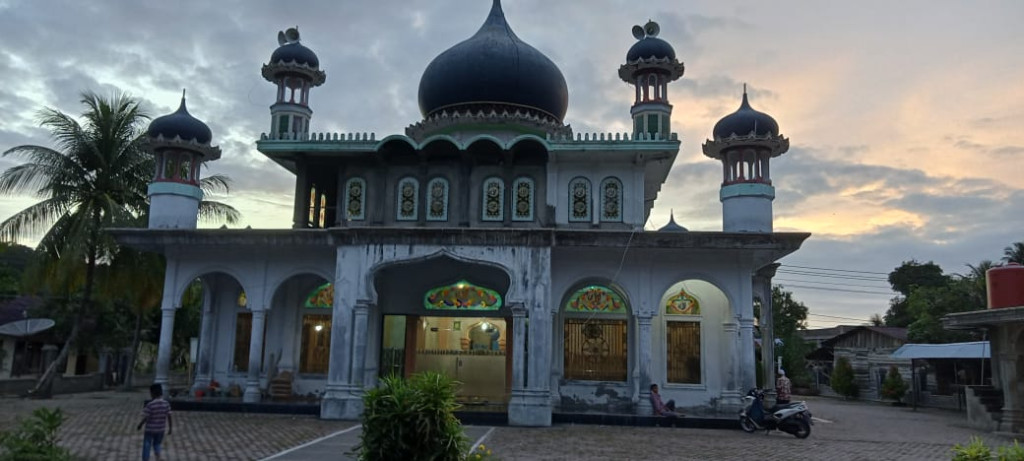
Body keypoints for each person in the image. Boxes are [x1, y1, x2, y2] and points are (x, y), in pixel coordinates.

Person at [138, 384, 173, 461]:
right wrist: (170, 428)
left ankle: (145, 459)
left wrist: (140, 425)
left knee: (147, 444)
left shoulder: (150, 405)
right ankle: (158, 457)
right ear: (161, 392)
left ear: (152, 393)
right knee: (157, 443)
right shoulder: (166, 404)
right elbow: (169, 416)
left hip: (150, 429)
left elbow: (146, 417)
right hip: (161, 429)